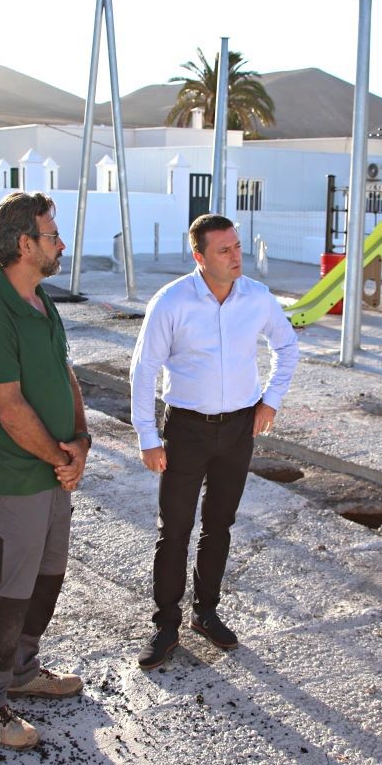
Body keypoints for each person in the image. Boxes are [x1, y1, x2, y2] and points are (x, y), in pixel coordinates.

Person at [130, 213, 299, 669]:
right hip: (186, 428)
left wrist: (271, 401)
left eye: (237, 246)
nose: (236, 256)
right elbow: (143, 369)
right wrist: (148, 436)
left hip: (240, 427)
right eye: (224, 250)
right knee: (175, 530)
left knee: (219, 525)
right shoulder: (172, 302)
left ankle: (206, 613)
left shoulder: (257, 298)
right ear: (199, 256)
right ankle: (166, 624)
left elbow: (287, 347)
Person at [0, 191, 91, 749]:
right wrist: (62, 460)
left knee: (48, 577)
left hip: (55, 473)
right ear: (23, 244)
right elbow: (10, 411)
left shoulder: (40, 300)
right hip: (15, 481)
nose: (60, 243)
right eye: (51, 235)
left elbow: (65, 375)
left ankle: (22, 670)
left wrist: (81, 441)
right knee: (6, 593)